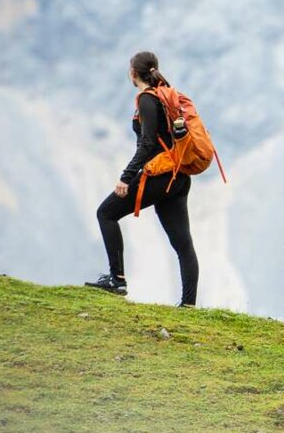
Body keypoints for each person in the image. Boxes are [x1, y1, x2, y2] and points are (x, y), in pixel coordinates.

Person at [85, 51, 200, 308]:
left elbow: (148, 143)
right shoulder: (167, 96)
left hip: (160, 175)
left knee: (106, 213)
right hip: (179, 176)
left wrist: (126, 177)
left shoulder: (147, 99)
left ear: (133, 73)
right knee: (183, 242)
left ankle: (117, 280)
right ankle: (189, 304)